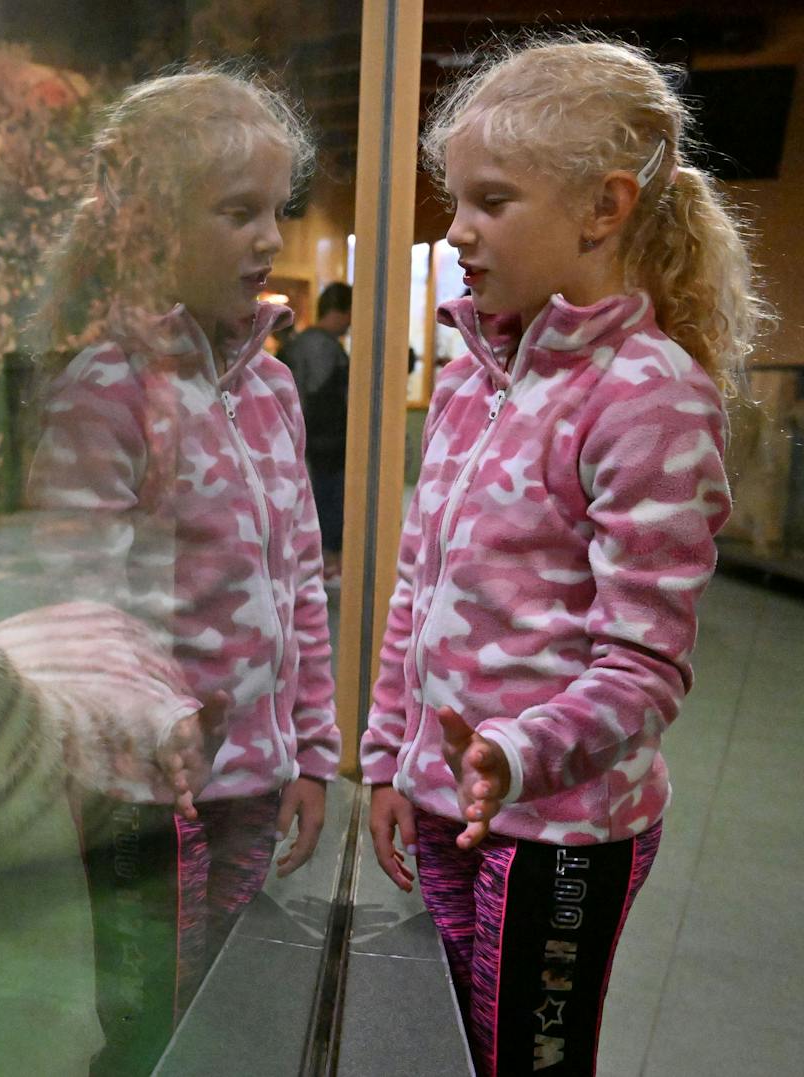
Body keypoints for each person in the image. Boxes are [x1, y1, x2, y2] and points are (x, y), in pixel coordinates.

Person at [361, 35, 767, 1077]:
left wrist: (515, 753)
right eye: (454, 201)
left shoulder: (648, 397)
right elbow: (418, 587)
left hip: (560, 830)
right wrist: (389, 759)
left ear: (603, 208)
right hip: (452, 804)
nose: (455, 233)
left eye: (490, 202)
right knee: (447, 1042)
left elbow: (642, 667)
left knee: (525, 1059)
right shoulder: (467, 378)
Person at [25, 67, 340, 1011]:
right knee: (144, 1012)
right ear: (155, 226)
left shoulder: (273, 388)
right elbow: (75, 611)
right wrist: (136, 742)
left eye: (276, 210)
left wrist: (313, 750)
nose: (270, 239)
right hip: (143, 794)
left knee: (227, 1003)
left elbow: (302, 586)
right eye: (238, 211)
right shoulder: (107, 391)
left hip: (252, 778)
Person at [279, 281, 352, 585]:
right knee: (328, 504)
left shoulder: (295, 345)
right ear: (342, 312)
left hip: (290, 441)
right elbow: (323, 398)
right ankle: (328, 563)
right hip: (327, 445)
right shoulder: (328, 349)